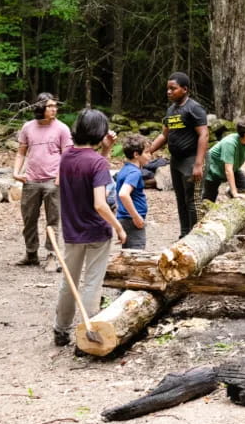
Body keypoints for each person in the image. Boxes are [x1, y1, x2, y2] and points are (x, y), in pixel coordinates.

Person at [53, 109, 126, 347]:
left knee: (69, 281)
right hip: (96, 231)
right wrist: (118, 227)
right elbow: (100, 203)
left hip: (72, 230)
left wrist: (104, 150)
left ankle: (61, 329)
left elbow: (92, 172)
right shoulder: (95, 163)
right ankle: (88, 332)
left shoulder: (66, 157)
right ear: (99, 131)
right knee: (92, 283)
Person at [12, 93, 73, 266]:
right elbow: (21, 152)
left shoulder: (62, 128)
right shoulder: (28, 127)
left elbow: (67, 155)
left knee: (53, 219)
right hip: (30, 180)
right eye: (50, 106)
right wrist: (16, 172)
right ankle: (31, 254)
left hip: (53, 181)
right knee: (29, 218)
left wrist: (61, 177)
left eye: (55, 106)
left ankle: (52, 255)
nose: (54, 109)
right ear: (40, 107)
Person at [149, 72, 209, 238]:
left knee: (193, 201)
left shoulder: (194, 108)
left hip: (192, 160)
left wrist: (198, 164)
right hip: (176, 161)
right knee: (181, 199)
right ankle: (184, 235)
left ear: (184, 89)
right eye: (167, 88)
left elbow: (204, 135)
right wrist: (149, 150)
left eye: (173, 88)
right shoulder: (171, 110)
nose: (169, 92)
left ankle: (198, 238)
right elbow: (164, 135)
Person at [203, 115, 245, 202]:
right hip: (212, 172)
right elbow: (228, 170)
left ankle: (229, 191)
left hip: (233, 169)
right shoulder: (230, 143)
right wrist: (235, 194)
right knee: (209, 200)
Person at [115, 135, 151, 250]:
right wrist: (136, 217)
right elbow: (123, 194)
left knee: (128, 253)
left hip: (124, 217)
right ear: (136, 154)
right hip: (131, 220)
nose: (150, 156)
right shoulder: (135, 173)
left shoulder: (124, 169)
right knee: (136, 255)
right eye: (147, 152)